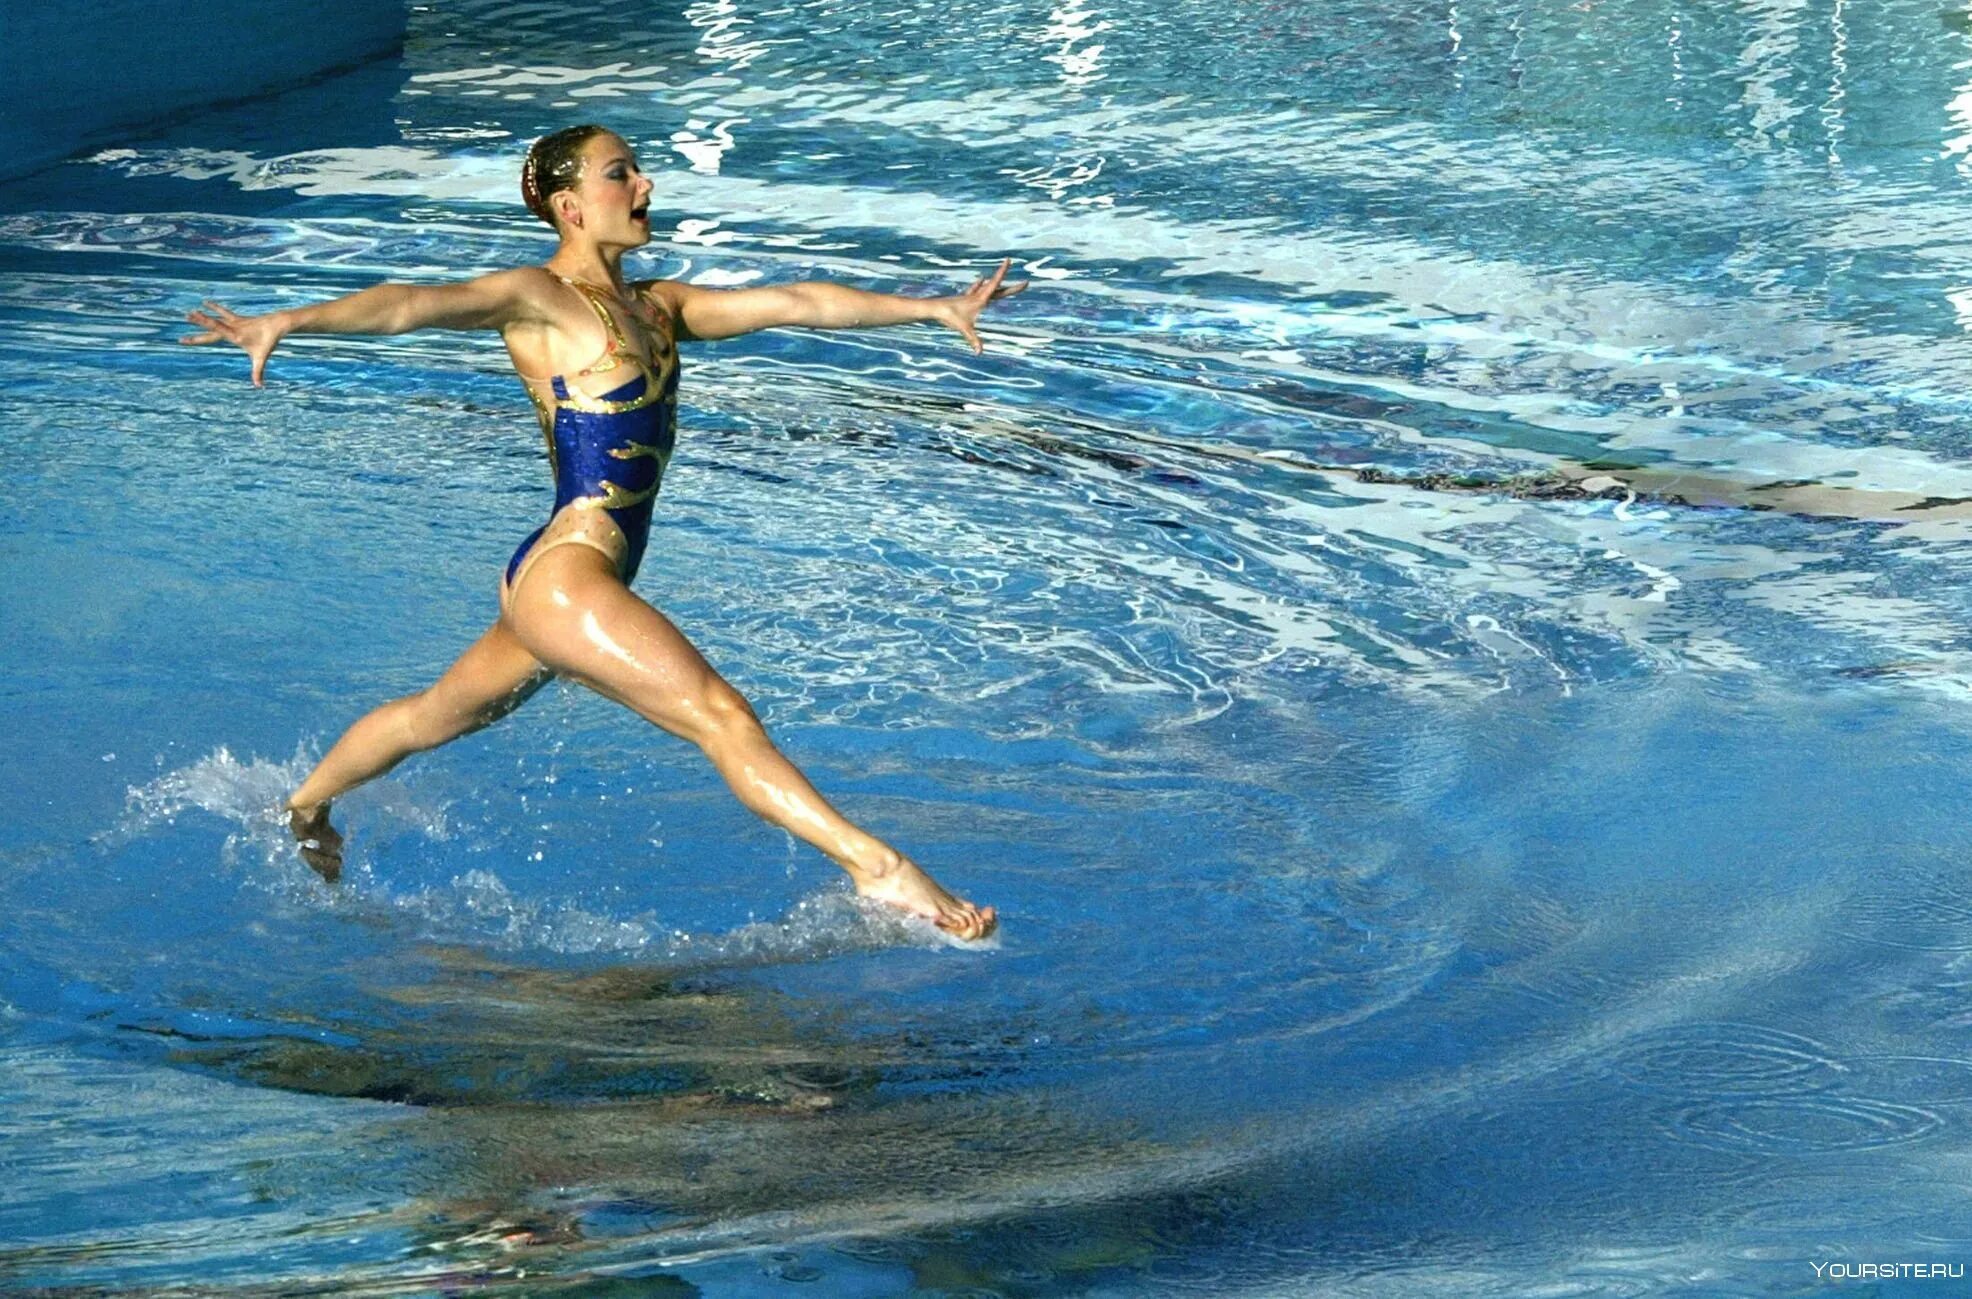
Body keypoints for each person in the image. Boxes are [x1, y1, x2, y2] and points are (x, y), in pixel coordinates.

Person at [182, 124, 1017, 941]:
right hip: (569, 575)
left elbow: (798, 302)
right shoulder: (538, 297)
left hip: (560, 572)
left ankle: (301, 805)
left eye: (639, 171)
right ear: (570, 205)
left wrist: (931, 309)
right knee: (720, 713)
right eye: (622, 173)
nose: (645, 185)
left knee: (433, 715)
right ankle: (878, 868)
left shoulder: (660, 308)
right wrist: (288, 321)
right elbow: (411, 306)